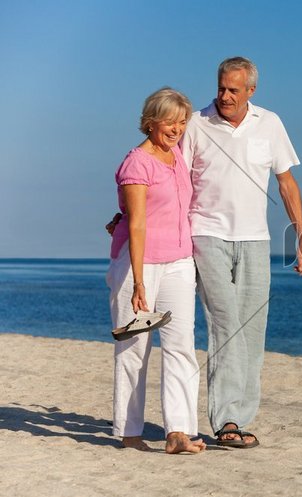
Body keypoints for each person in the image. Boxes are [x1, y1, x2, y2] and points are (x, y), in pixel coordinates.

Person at [180, 56, 302, 448]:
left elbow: (286, 182)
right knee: (225, 323)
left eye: (233, 90)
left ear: (251, 90)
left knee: (253, 330)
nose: (224, 96)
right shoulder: (196, 124)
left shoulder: (269, 124)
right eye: (220, 88)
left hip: (256, 240)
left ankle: (242, 415)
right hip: (206, 234)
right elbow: (176, 182)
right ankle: (226, 421)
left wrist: (301, 237)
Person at [106, 88, 206, 454]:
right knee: (134, 348)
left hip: (179, 261)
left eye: (182, 122)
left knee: (181, 346)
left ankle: (178, 431)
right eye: (170, 121)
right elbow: (136, 225)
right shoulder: (137, 163)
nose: (177, 129)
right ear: (151, 122)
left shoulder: (176, 157)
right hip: (140, 264)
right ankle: (130, 433)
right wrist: (137, 282)